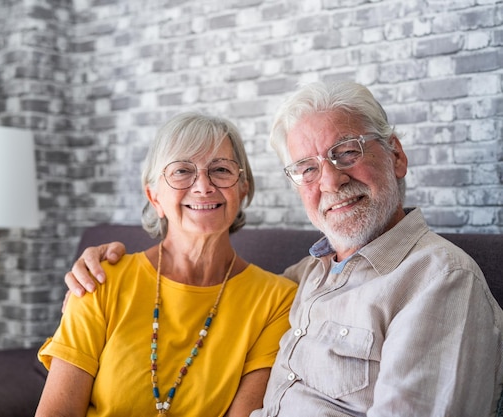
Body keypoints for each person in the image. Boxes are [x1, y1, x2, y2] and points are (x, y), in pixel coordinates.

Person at [65, 81, 503, 416]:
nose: (330, 181)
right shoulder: (306, 277)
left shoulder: (440, 281)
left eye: (347, 152)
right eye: (307, 168)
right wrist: (98, 269)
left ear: (397, 156)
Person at [35, 112, 297, 417]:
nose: (203, 186)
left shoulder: (277, 300)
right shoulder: (100, 279)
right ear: (154, 196)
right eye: (182, 171)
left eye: (221, 170)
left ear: (243, 188)